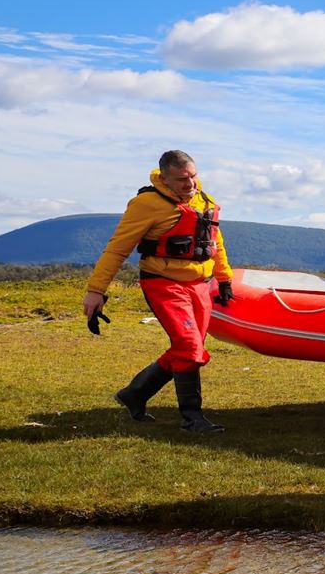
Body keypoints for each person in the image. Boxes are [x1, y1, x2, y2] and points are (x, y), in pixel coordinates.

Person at [82, 150, 233, 433]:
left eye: (193, 176)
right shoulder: (147, 204)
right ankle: (192, 419)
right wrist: (96, 291)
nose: (190, 184)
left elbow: (216, 242)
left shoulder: (204, 200)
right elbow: (117, 248)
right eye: (181, 179)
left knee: (190, 349)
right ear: (164, 178)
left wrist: (224, 278)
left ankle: (134, 395)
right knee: (189, 347)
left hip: (199, 284)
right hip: (164, 283)